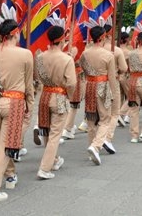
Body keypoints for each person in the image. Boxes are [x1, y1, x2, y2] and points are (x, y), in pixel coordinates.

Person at [0, 6, 34, 202]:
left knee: (5, 142)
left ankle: (10, 174)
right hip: (14, 102)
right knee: (6, 145)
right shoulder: (25, 54)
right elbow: (29, 84)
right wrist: (30, 104)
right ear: (15, 33)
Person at [34, 15, 76, 179]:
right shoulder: (66, 59)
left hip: (45, 95)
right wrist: (70, 97)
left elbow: (38, 77)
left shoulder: (40, 57)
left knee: (46, 130)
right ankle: (45, 168)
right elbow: (71, 83)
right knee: (55, 134)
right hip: (59, 97)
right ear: (62, 39)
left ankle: (53, 160)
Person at [79, 17, 118, 164]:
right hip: (102, 86)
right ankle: (96, 146)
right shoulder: (108, 55)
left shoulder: (85, 53)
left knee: (91, 120)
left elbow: (82, 68)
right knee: (104, 119)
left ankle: (92, 148)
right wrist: (114, 94)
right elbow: (112, 77)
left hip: (90, 85)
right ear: (102, 37)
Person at [103, 21, 127, 149]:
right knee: (114, 113)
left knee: (100, 114)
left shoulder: (92, 50)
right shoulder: (116, 51)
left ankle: (97, 140)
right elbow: (123, 68)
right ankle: (107, 138)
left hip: (96, 83)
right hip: (113, 82)